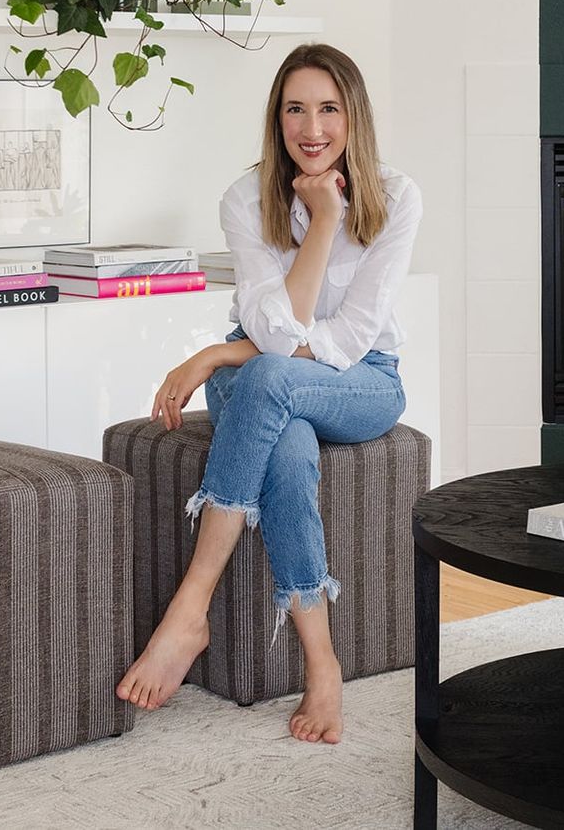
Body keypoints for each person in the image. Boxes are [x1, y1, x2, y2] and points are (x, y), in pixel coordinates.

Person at [115, 43, 422, 745]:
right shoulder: (243, 198)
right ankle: (323, 662)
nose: (311, 128)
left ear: (354, 117)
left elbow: (346, 340)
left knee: (261, 376)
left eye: (328, 109)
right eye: (295, 109)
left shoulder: (398, 196)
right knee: (281, 437)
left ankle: (191, 604)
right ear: (276, 118)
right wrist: (317, 229)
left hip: (366, 381)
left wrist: (224, 349)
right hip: (267, 379)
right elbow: (278, 334)